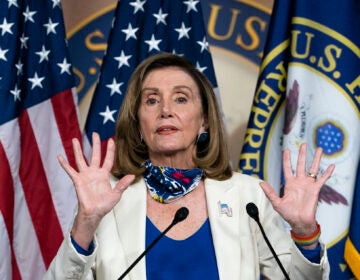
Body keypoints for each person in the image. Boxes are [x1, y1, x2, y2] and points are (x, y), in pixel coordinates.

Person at [44, 52, 335, 279]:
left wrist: (305, 232)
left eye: (180, 99)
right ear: (138, 122)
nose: (166, 110)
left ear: (204, 120)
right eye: (151, 100)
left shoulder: (248, 196)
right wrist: (85, 224)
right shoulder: (106, 199)